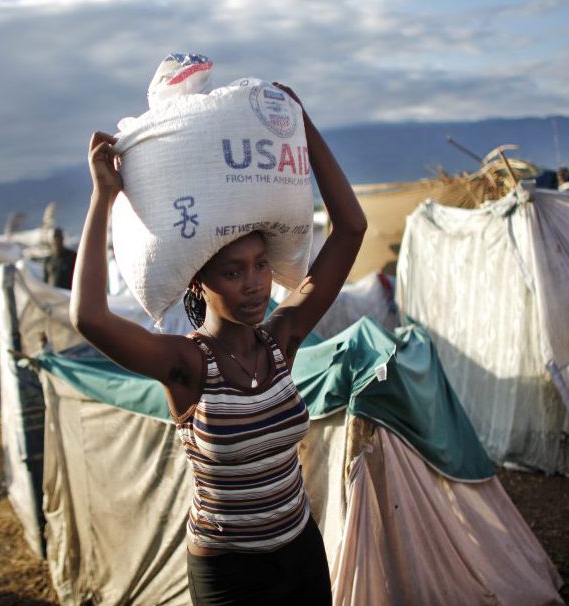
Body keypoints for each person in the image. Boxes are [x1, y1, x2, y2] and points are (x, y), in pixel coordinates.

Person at [70, 83, 366, 605]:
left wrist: (301, 125)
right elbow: (89, 318)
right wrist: (102, 196)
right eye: (232, 272)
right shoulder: (186, 364)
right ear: (198, 282)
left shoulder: (281, 340)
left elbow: (351, 229)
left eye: (260, 266)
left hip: (301, 549)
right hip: (230, 575)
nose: (255, 285)